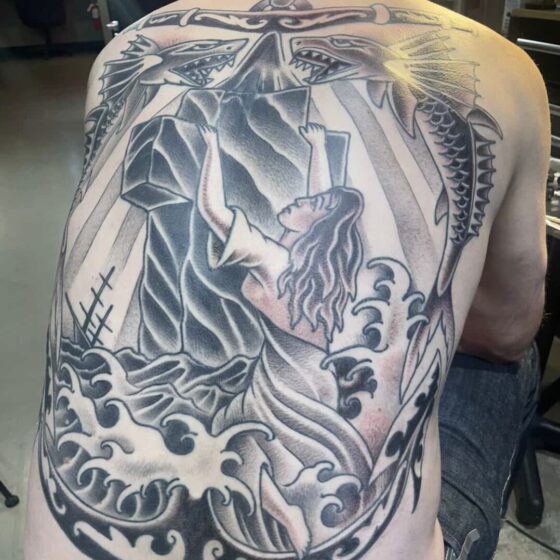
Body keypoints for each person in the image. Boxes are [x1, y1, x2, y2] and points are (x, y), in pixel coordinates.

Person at [24, 1, 550, 559]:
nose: (296, 206)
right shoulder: (335, 280)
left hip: (273, 416)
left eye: (304, 207)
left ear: (312, 225)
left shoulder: (129, 49)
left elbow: (218, 210)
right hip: (314, 414)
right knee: (510, 364)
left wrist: (208, 152)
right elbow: (506, 333)